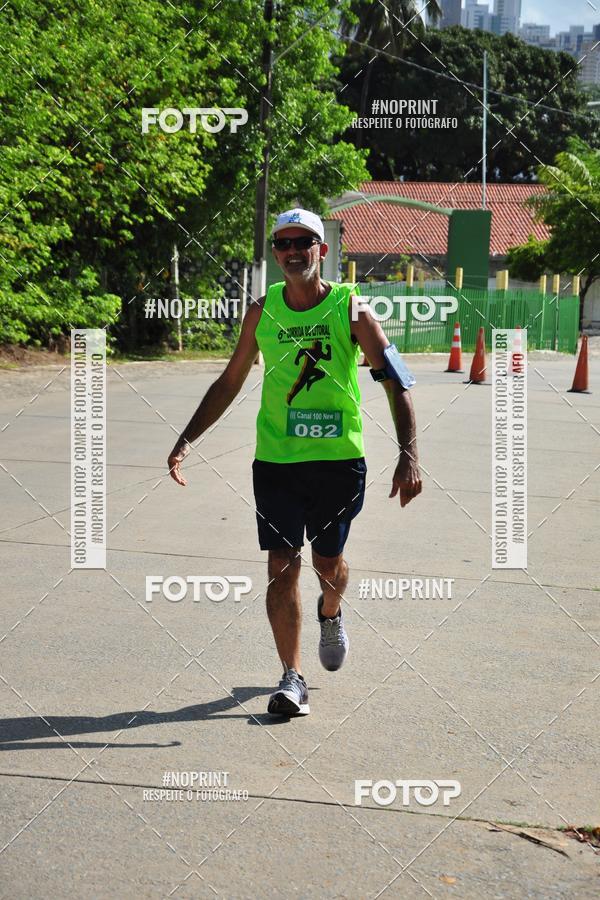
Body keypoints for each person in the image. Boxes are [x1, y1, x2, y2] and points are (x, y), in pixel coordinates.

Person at [168, 208, 422, 717]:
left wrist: (409, 454)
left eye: (302, 241)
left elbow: (396, 382)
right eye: (282, 243)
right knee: (282, 567)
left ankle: (332, 611)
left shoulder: (353, 310)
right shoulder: (262, 313)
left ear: (321, 250)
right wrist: (186, 438)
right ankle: (291, 678)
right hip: (277, 463)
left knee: (329, 566)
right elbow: (230, 381)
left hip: (338, 461)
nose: (291, 250)